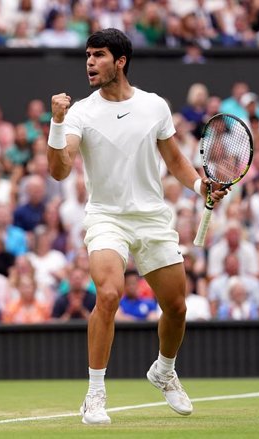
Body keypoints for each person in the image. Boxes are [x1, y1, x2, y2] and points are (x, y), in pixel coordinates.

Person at [47, 29, 228, 424]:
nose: (90, 62)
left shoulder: (154, 106)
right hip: (106, 218)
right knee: (109, 294)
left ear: (120, 61)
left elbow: (176, 161)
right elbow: (59, 170)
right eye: (88, 55)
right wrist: (57, 124)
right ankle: (94, 395)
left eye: (98, 55)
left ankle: (164, 370)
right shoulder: (79, 112)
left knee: (176, 308)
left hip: (151, 218)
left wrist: (200, 185)